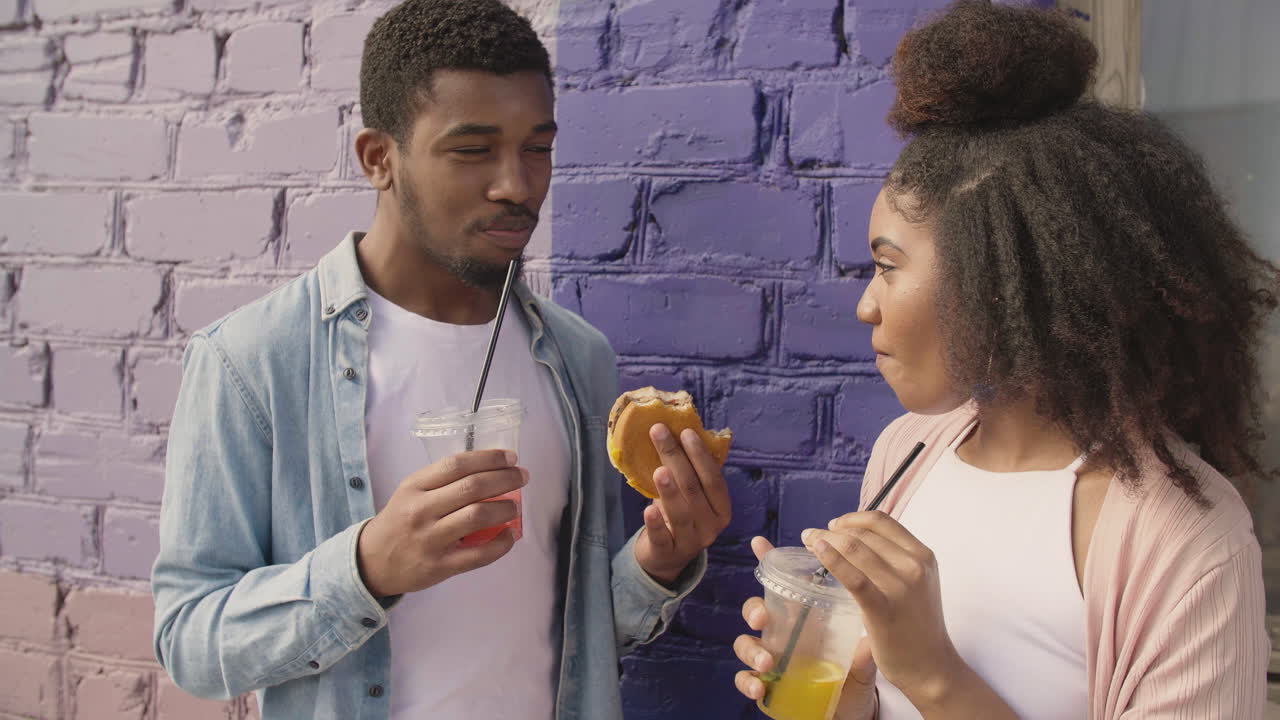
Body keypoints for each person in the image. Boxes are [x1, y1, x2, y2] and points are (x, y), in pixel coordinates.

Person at [151, 1, 732, 719]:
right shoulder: (253, 361)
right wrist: (367, 568)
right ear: (379, 159)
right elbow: (188, 640)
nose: (517, 185)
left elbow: (574, 639)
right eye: (472, 150)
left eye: (537, 147)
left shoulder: (580, 360)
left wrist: (659, 561)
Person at [733, 1, 1276, 718]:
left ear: (998, 282)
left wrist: (933, 674)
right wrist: (845, 687)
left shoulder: (1186, 541)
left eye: (888, 267)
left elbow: (924, 683)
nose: (867, 305)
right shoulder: (907, 454)